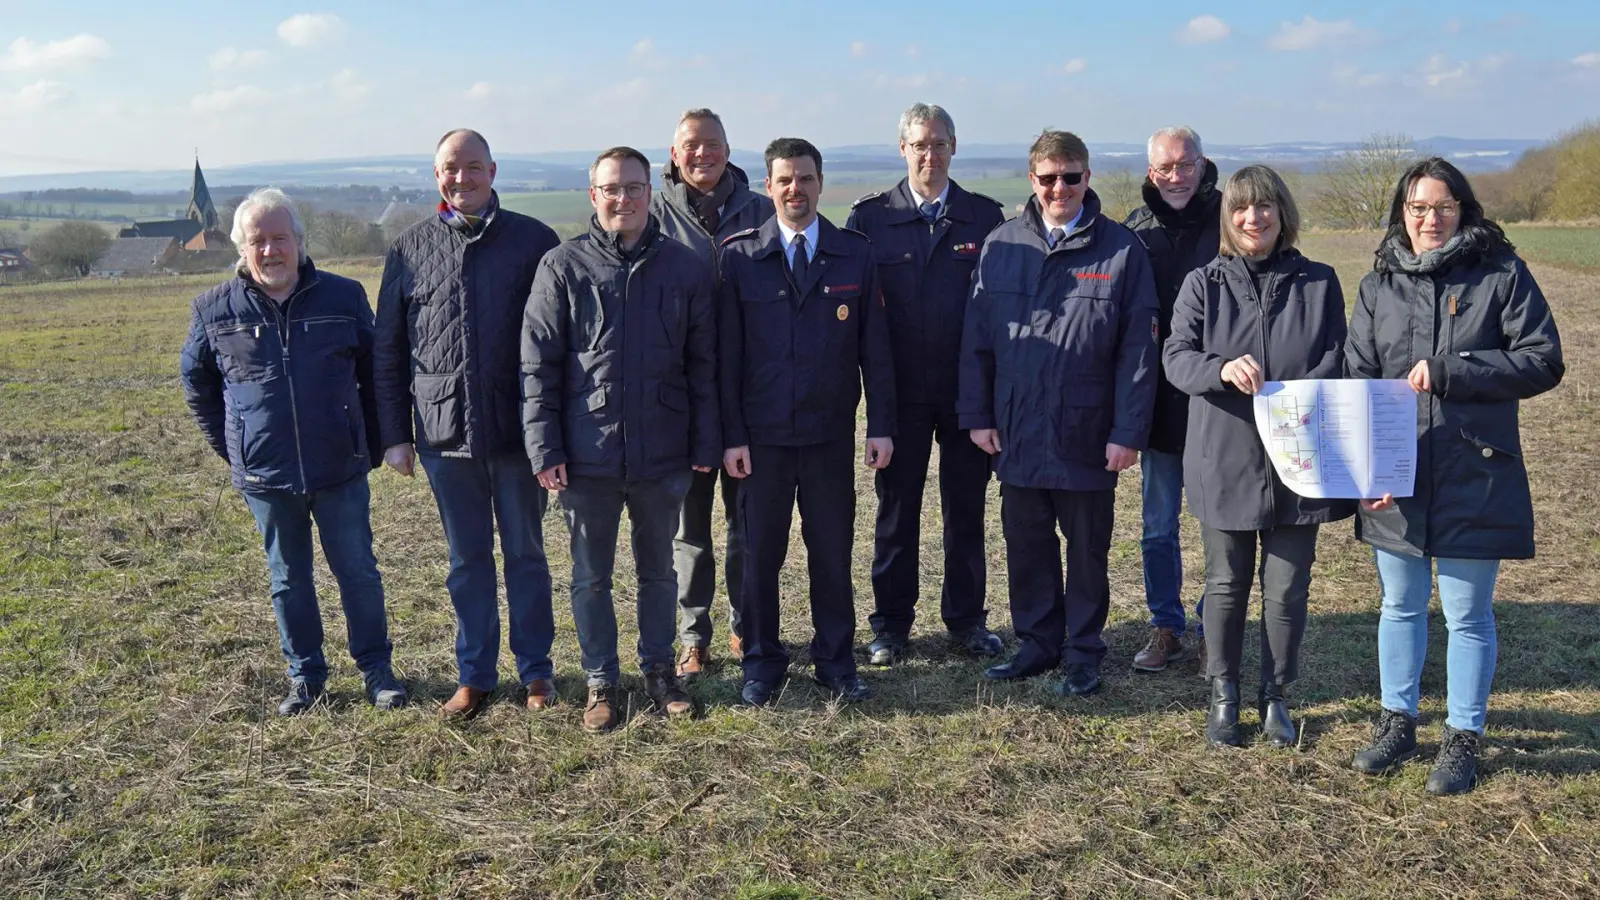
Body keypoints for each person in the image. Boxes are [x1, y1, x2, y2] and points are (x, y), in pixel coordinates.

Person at [1346, 157, 1563, 794]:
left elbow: (1543, 360)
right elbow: (1359, 379)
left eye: (1443, 207)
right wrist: (1366, 464)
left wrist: (1452, 371)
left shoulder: (1502, 275)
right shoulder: (1377, 284)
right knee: (1400, 604)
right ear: (1402, 213)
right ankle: (1398, 719)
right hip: (1396, 472)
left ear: (1463, 210)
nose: (1430, 219)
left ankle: (1464, 735)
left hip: (1476, 469)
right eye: (1417, 208)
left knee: (1467, 613)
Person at [180, 187, 405, 716]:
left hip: (339, 469)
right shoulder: (213, 309)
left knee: (359, 573)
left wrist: (366, 444)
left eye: (280, 238)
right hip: (266, 477)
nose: (270, 250)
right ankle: (306, 677)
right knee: (288, 580)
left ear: (300, 243)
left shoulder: (343, 296)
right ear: (241, 248)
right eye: (257, 241)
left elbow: (376, 376)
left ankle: (377, 670)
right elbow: (198, 385)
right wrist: (236, 449)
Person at [522, 147, 719, 732]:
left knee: (660, 570)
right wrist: (546, 448)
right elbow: (538, 367)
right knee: (591, 575)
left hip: (664, 452)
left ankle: (661, 672)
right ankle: (601, 681)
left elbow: (705, 364)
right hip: (586, 458)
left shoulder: (684, 268)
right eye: (611, 188)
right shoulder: (562, 267)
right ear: (594, 195)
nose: (623, 199)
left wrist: (706, 441)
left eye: (634, 188)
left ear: (649, 194)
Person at [957, 130, 1159, 698]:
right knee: (1026, 542)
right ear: (1032, 181)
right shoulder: (1001, 246)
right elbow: (977, 341)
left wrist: (1127, 432)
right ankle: (1038, 643)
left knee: (1088, 549)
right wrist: (977, 414)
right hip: (1018, 426)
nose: (1059, 188)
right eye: (1048, 178)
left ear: (1087, 178)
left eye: (1071, 176)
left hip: (1087, 431)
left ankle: (1083, 650)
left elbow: (1138, 353)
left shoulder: (1120, 250)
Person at [374, 129, 563, 720]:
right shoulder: (407, 249)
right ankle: (475, 675)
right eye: (450, 170)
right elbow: (389, 350)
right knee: (466, 562)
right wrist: (395, 435)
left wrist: (553, 432)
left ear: (493, 170)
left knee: (527, 557)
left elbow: (562, 343)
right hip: (443, 436)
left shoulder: (536, 241)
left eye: (473, 168)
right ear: (436, 177)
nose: (462, 179)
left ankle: (536, 672)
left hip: (518, 433)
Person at [1162, 165, 1353, 748]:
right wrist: (1220, 369)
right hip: (1226, 458)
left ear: (1282, 213)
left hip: (1302, 461)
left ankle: (1277, 697)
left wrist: (1297, 393)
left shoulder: (1319, 282)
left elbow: (1338, 356)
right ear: (1229, 217)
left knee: (1288, 588)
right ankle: (1224, 696)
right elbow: (1175, 357)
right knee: (1225, 583)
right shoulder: (1203, 284)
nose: (1254, 218)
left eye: (1265, 207)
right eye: (1242, 209)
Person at [719, 137, 897, 706]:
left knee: (830, 550)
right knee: (759, 555)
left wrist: (881, 424)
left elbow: (877, 349)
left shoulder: (854, 254)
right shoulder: (740, 256)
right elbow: (726, 361)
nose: (795, 190)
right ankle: (762, 663)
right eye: (784, 180)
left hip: (827, 436)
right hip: (761, 441)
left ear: (821, 184)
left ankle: (836, 661)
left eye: (805, 179)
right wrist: (732, 437)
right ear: (768, 187)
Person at [846, 102, 1005, 666]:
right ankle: (890, 624)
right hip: (899, 394)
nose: (930, 154)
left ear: (953, 147)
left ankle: (967, 620)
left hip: (967, 394)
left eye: (939, 144)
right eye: (919, 145)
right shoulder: (869, 221)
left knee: (965, 510)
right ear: (903, 150)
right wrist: (875, 410)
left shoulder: (985, 218)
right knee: (896, 512)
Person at [649, 108, 775, 678]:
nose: (703, 154)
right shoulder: (649, 214)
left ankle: (748, 627)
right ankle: (692, 636)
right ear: (674, 155)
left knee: (748, 524)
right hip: (681, 399)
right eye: (691, 146)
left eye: (713, 144)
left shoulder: (763, 211)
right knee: (690, 530)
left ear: (729, 149)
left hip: (752, 396)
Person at [1122, 125, 1223, 674]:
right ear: (1150, 172)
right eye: (1166, 167)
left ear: (1204, 165)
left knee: (1218, 524)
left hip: (1218, 401)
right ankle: (1166, 626)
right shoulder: (1135, 230)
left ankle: (1213, 628)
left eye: (1186, 165)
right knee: (1158, 525)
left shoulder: (1232, 221)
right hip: (1157, 404)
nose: (1177, 176)